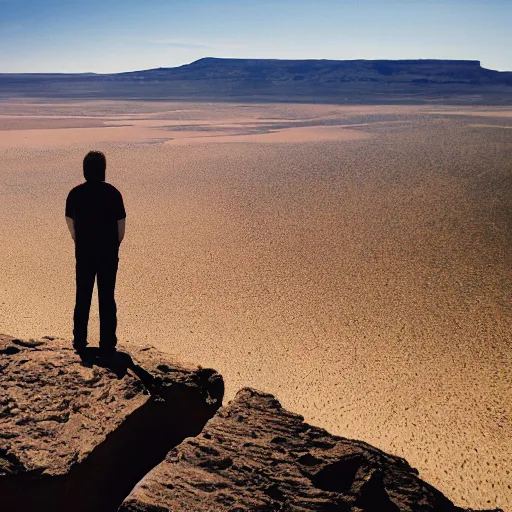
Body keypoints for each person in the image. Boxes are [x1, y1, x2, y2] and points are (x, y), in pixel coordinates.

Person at [65, 151, 126, 358]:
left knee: (83, 296)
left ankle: (80, 340)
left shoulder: (75, 194)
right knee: (107, 297)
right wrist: (113, 246)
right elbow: (121, 227)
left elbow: (70, 223)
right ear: (103, 170)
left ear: (84, 170)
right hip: (108, 253)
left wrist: (79, 241)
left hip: (84, 252)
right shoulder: (113, 193)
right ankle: (107, 343)